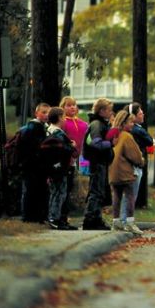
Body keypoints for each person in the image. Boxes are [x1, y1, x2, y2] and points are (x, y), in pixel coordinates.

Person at [109, 110, 145, 235]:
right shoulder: (127, 136)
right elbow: (135, 156)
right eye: (130, 122)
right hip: (125, 171)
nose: (132, 124)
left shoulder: (113, 135)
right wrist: (141, 161)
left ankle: (116, 222)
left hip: (113, 170)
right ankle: (130, 223)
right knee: (130, 196)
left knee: (116, 196)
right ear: (123, 123)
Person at [119, 102, 154, 226]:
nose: (143, 114)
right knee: (131, 195)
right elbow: (150, 141)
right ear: (133, 116)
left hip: (127, 165)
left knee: (128, 195)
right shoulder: (137, 130)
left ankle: (124, 220)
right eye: (140, 112)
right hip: (134, 166)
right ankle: (125, 221)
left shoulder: (128, 130)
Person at [82, 98, 114, 230]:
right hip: (97, 162)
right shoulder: (96, 125)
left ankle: (96, 218)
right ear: (101, 111)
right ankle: (90, 220)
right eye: (109, 110)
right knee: (96, 192)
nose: (111, 112)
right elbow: (95, 143)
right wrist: (111, 144)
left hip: (102, 162)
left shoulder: (102, 124)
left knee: (100, 192)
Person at [44, 107, 78, 230]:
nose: (65, 120)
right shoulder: (59, 133)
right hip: (60, 167)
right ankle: (54, 218)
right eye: (63, 117)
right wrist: (72, 146)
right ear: (59, 118)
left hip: (51, 166)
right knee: (60, 193)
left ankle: (57, 218)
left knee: (55, 192)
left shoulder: (48, 130)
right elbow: (63, 149)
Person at [59, 96, 88, 230]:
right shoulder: (62, 123)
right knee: (62, 189)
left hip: (74, 160)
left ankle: (64, 217)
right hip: (63, 159)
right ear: (62, 107)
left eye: (74, 105)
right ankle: (59, 217)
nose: (72, 107)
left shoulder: (82, 123)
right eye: (68, 105)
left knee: (69, 188)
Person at [20, 103, 50, 223]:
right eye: (43, 112)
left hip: (37, 165)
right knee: (31, 190)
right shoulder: (34, 128)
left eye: (48, 112)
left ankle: (37, 215)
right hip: (32, 165)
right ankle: (29, 216)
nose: (46, 115)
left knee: (39, 190)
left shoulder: (43, 127)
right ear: (36, 113)